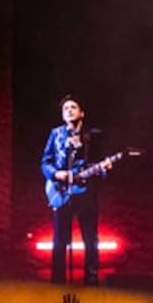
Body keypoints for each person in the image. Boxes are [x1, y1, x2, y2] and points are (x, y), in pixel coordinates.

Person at [42, 95, 112, 285]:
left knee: (91, 240)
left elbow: (99, 162)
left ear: (82, 113)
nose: (69, 110)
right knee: (59, 242)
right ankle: (57, 282)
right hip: (62, 193)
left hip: (86, 193)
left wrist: (103, 170)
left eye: (73, 107)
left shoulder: (92, 136)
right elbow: (45, 162)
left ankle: (91, 280)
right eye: (65, 108)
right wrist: (57, 174)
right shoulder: (56, 134)